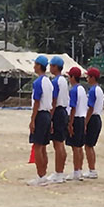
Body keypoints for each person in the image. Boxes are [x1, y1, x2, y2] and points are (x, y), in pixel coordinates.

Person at [27, 56, 53, 186]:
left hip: (40, 114)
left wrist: (32, 120)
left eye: (35, 64)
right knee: (43, 146)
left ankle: (40, 175)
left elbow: (37, 101)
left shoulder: (38, 82)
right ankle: (44, 174)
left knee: (37, 146)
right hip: (47, 114)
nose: (34, 66)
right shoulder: (48, 81)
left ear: (39, 66)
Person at [47, 56, 68, 184]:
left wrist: (50, 117)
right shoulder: (64, 80)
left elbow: (53, 100)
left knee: (57, 143)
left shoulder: (55, 81)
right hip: (63, 111)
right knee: (60, 142)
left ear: (55, 67)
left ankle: (58, 172)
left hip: (58, 112)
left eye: (51, 66)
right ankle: (60, 171)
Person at [84, 67, 104, 179]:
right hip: (97, 117)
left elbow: (90, 108)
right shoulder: (99, 90)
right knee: (89, 145)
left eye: (88, 76)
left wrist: (85, 123)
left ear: (92, 77)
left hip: (92, 118)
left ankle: (92, 169)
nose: (87, 78)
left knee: (88, 145)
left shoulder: (93, 90)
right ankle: (91, 168)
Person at [65, 67, 86, 181]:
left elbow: (73, 107)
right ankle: (79, 170)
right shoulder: (82, 89)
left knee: (75, 147)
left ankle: (76, 171)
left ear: (73, 77)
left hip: (76, 118)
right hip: (82, 118)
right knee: (79, 146)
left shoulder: (73, 90)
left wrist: (70, 123)